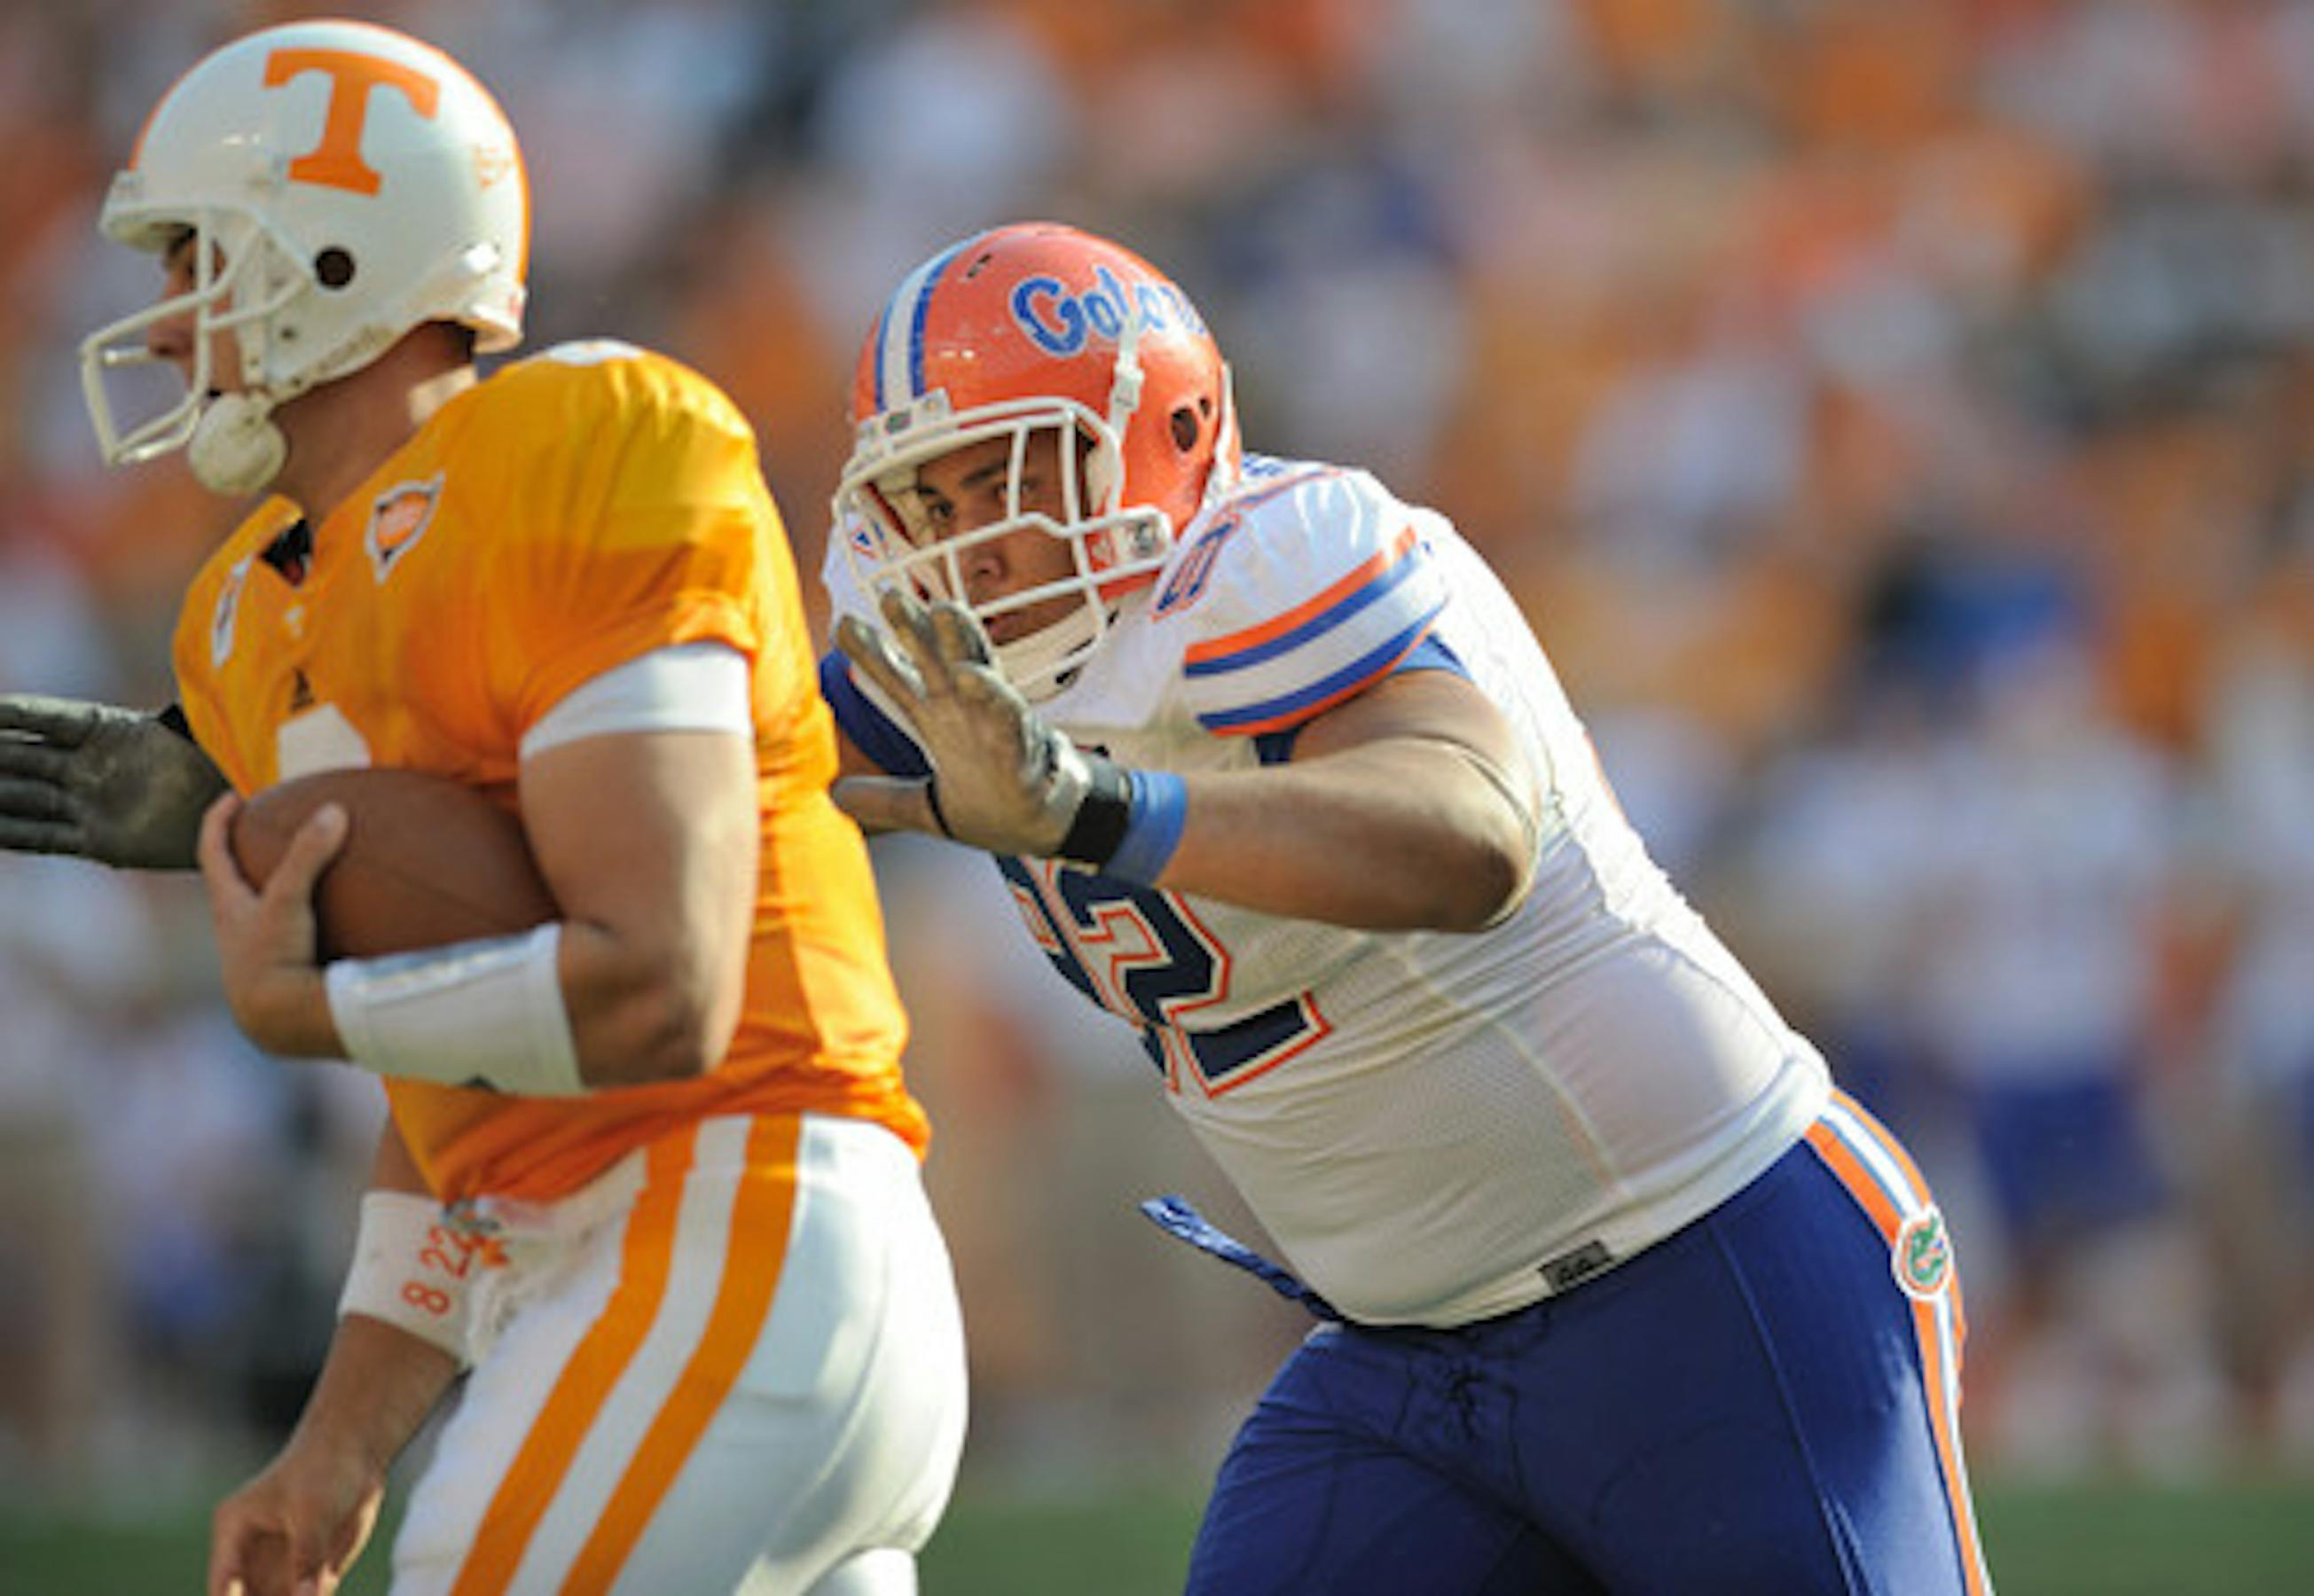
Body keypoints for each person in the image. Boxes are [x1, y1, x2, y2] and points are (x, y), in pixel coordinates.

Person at [820, 221, 1996, 1595]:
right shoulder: (941, 665)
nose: (973, 546)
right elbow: (707, 785)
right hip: (1399, 1357)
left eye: (1007, 479)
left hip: (1706, 1268)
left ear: (1164, 433)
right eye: (931, 504)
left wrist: (1093, 809)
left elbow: (1467, 840)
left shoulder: (1274, 556)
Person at [0, 20, 964, 1595]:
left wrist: (313, 1011)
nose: (163, 323)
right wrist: (339, 1444)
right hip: (599, 1262)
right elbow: (466, 1104)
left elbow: (660, 984)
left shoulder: (583, 436)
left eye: (192, 259)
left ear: (330, 253)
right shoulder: (237, 616)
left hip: (738, 1214)